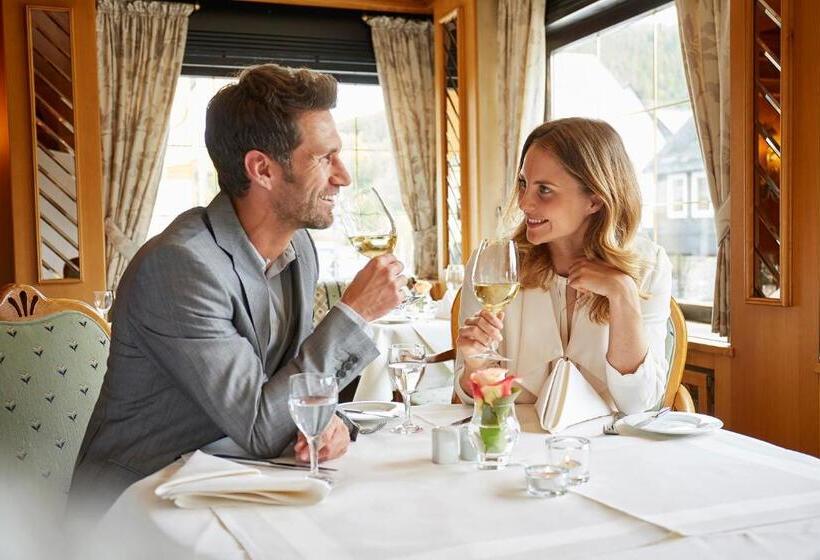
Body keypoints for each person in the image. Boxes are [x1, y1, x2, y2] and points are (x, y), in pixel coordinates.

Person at [70, 64, 406, 510]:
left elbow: (292, 387)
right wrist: (354, 313)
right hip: (142, 501)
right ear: (262, 169)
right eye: (324, 158)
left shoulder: (300, 248)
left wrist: (331, 421)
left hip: (236, 480)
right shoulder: (180, 267)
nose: (343, 175)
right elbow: (260, 428)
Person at [455, 118, 672, 413]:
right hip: (519, 439)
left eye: (544, 189)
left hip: (609, 442)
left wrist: (623, 293)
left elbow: (637, 404)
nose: (524, 203)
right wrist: (475, 364)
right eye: (523, 184)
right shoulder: (492, 267)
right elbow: (485, 405)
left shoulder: (649, 267)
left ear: (594, 200)